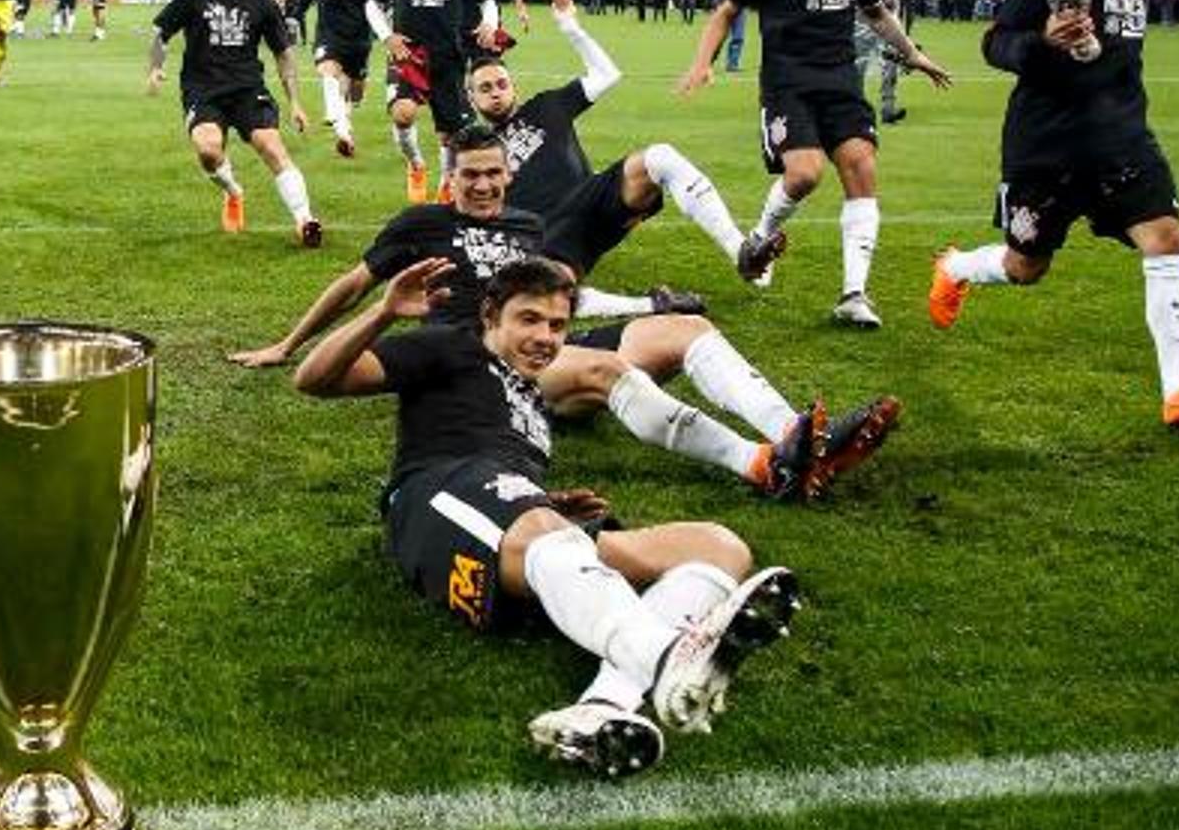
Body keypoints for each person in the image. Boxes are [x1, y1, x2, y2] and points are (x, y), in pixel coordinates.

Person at [293, 256, 805, 775]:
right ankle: (667, 659)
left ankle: (601, 708)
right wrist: (382, 313)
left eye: (557, 325)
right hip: (433, 502)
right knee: (543, 532)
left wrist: (545, 502)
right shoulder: (451, 346)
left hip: (517, 523)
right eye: (529, 319)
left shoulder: (532, 397)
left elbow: (503, 482)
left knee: (719, 546)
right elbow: (314, 379)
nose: (545, 337)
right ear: (491, 315)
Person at [235, 127, 897, 499]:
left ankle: (797, 437)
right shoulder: (422, 222)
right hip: (478, 360)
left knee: (689, 331)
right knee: (606, 370)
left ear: (507, 175)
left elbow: (568, 295)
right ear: (451, 179)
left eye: (494, 173)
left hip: (550, 348)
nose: (485, 185)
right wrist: (286, 344)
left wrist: (641, 305)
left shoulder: (530, 223)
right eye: (471, 175)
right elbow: (352, 286)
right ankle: (760, 464)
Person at [930, 0, 1179, 429]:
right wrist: (1042, 40)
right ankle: (957, 267)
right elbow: (996, 42)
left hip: (1123, 135)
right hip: (1048, 142)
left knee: (1166, 239)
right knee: (1026, 266)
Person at [678, 0, 951, 326]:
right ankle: (760, 238)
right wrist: (703, 62)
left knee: (862, 169)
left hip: (842, 83)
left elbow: (876, 12)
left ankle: (854, 295)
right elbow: (727, 10)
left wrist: (913, 55)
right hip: (788, 84)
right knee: (805, 175)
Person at [471, 0, 750, 282]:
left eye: (502, 84)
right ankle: (650, 307)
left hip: (593, 204)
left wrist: (569, 25)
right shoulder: (475, 150)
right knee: (543, 288)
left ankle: (742, 251)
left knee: (661, 157)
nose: (496, 92)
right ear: (472, 99)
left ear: (515, 88)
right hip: (547, 234)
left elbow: (607, 75)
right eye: (485, 88)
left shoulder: (546, 105)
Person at [147, 0, 323, 246]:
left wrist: (295, 102)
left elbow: (283, 54)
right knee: (208, 151)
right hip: (202, 89)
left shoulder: (262, 2)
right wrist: (157, 67)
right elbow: (161, 33)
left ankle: (305, 220)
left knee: (272, 146)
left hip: (247, 89)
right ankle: (233, 191)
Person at [367, 0, 498, 204]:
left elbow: (487, 0)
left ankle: (445, 182)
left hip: (449, 57)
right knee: (403, 113)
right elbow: (373, 3)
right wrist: (387, 36)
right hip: (408, 56)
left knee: (450, 135)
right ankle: (415, 165)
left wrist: (490, 23)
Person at [283, 0, 381, 159]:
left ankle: (345, 121)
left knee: (354, 89)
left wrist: (383, 25)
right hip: (329, 32)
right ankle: (341, 129)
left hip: (359, 36)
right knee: (328, 72)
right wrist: (296, 13)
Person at [852, 0, 911, 124]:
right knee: (858, 67)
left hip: (884, 19)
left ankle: (888, 109)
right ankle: (855, 110)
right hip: (861, 20)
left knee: (891, 63)